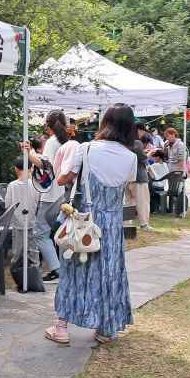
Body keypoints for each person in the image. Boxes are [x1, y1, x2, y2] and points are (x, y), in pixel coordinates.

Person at [44, 104, 137, 346]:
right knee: (109, 273)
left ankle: (61, 328)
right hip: (113, 225)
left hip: (84, 221)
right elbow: (124, 187)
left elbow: (64, 178)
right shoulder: (131, 157)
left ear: (104, 122)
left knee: (73, 271)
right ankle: (106, 328)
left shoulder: (85, 149)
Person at [24, 110, 72, 282]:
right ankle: (63, 265)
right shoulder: (65, 141)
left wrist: (29, 152)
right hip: (61, 191)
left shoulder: (52, 142)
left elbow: (45, 165)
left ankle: (56, 268)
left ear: (48, 125)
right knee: (57, 230)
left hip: (50, 193)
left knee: (40, 232)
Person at [4, 162, 40, 291]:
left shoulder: (12, 186)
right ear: (30, 168)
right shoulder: (35, 185)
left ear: (15, 169)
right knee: (33, 252)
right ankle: (36, 280)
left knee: (17, 253)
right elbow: (38, 202)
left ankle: (20, 282)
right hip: (32, 221)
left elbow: (8, 205)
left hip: (18, 223)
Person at [129, 137, 152, 231]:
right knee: (143, 202)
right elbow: (142, 157)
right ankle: (144, 224)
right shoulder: (137, 142)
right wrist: (149, 154)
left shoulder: (126, 141)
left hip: (128, 177)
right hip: (139, 178)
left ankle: (127, 223)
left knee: (129, 202)